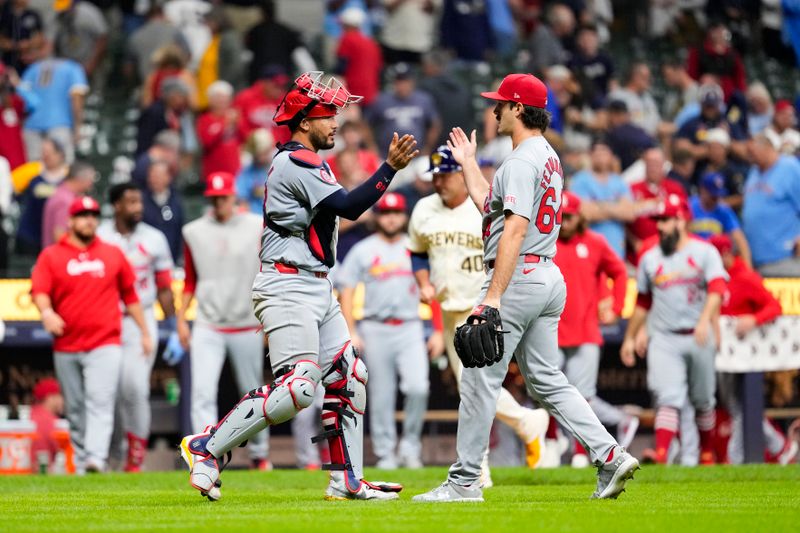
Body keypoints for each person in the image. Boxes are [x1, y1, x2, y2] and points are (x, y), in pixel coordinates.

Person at [178, 71, 418, 502]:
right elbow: (349, 207)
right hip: (287, 283)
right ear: (304, 121)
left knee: (349, 375)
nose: (335, 123)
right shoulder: (296, 160)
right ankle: (207, 446)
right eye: (328, 115)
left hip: (315, 285)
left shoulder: (311, 160)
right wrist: (389, 169)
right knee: (299, 387)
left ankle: (346, 480)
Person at [414, 73, 638, 503]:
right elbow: (493, 210)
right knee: (545, 379)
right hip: (547, 274)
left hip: (517, 274)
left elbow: (514, 228)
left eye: (500, 103)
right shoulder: (546, 156)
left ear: (518, 108)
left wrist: (493, 297)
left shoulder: (520, 161)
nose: (494, 109)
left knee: (479, 379)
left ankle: (463, 483)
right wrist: (468, 163)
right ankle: (609, 454)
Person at [408, 146, 549, 483]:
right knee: (473, 387)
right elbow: (417, 253)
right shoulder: (424, 208)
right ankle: (525, 423)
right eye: (435, 176)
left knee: (474, 387)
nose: (439, 182)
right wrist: (424, 282)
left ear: (462, 174)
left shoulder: (483, 207)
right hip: (448, 309)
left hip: (481, 304)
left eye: (445, 175)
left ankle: (478, 467)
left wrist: (498, 300)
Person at [30, 196, 153, 473]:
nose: (89, 220)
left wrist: (145, 331)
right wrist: (47, 313)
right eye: (83, 214)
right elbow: (39, 290)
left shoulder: (112, 253)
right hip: (67, 343)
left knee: (100, 400)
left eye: (93, 215)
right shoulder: (52, 255)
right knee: (75, 408)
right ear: (71, 221)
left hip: (105, 341)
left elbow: (130, 295)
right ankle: (84, 459)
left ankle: (95, 459)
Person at [620, 196, 728, 465]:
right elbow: (643, 302)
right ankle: (661, 456)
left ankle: (706, 453)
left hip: (698, 334)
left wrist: (705, 320)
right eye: (658, 221)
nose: (660, 227)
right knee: (668, 397)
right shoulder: (650, 257)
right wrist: (630, 337)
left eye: (666, 220)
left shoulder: (705, 251)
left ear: (682, 220)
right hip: (665, 337)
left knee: (703, 400)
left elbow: (717, 289)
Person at [176, 171, 271, 471]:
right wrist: (181, 320)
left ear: (234, 197)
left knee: (252, 392)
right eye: (214, 198)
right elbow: (190, 280)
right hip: (208, 322)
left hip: (246, 321)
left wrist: (269, 317)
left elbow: (268, 272)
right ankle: (204, 453)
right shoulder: (194, 230)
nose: (219, 203)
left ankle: (259, 453)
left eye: (224, 197)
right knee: (202, 391)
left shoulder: (256, 225)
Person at [338, 192, 429, 469]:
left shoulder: (415, 247)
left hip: (411, 325)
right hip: (375, 326)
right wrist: (351, 330)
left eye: (396, 213)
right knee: (381, 394)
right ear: (378, 217)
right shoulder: (363, 249)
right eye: (386, 213)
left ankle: (410, 448)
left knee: (418, 388)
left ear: (404, 217)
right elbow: (346, 290)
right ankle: (386, 452)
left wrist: (436, 329)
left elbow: (432, 287)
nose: (391, 218)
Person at [554, 191, 639, 468]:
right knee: (546, 392)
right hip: (551, 331)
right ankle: (615, 420)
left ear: (580, 217)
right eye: (560, 216)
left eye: (569, 217)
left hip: (586, 331)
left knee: (583, 397)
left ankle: (580, 450)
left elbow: (620, 272)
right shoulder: (545, 241)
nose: (564, 222)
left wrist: (616, 307)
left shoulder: (595, 242)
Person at [97, 183, 175, 472]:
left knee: (135, 387)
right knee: (109, 391)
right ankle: (111, 452)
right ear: (116, 205)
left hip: (140, 320)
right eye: (130, 202)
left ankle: (135, 456)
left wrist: (171, 323)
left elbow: (165, 286)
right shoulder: (100, 236)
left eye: (139, 201)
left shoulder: (154, 238)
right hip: (105, 320)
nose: (138, 207)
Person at [708, 234, 799, 466]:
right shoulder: (715, 278)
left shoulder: (745, 277)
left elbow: (774, 306)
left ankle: (736, 458)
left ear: (727, 253)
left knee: (741, 408)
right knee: (736, 407)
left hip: (747, 354)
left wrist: (753, 319)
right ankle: (781, 447)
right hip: (723, 353)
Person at [742, 134, 800, 277]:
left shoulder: (790, 168)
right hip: (755, 260)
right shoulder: (754, 171)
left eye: (753, 153)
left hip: (785, 258)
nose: (750, 157)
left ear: (767, 148)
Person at [20, 50, 88, 163]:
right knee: (63, 168)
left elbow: (21, 98)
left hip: (31, 125)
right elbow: (76, 100)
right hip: (60, 125)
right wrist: (78, 128)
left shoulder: (33, 68)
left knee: (34, 170)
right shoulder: (73, 68)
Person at [569, 140, 633, 258]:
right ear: (590, 155)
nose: (600, 157)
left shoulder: (619, 181)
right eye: (597, 153)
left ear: (611, 156)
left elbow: (630, 213)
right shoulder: (580, 180)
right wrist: (616, 206)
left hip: (616, 251)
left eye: (604, 153)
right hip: (588, 250)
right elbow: (585, 213)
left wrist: (599, 205)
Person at [627, 147, 688, 264]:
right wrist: (635, 243)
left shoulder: (675, 188)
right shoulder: (632, 189)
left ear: (664, 165)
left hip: (671, 250)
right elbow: (623, 219)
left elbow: (686, 218)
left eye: (656, 163)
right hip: (639, 252)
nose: (652, 167)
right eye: (649, 163)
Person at [365, 63, 441, 156]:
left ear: (412, 82)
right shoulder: (382, 100)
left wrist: (428, 148)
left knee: (425, 165)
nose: (402, 85)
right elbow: (365, 124)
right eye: (399, 81)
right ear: (394, 82)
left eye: (405, 81)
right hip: (386, 156)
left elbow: (435, 125)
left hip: (416, 157)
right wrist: (371, 146)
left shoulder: (423, 99)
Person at [16, 138, 68, 255]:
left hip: (56, 235)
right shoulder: (32, 172)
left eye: (49, 152)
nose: (46, 156)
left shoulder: (68, 178)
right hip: (30, 234)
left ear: (60, 154)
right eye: (43, 152)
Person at [688, 172, 752, 267]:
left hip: (715, 260)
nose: (717, 199)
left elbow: (739, 238)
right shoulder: (689, 206)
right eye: (713, 196)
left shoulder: (723, 210)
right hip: (692, 258)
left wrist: (748, 267)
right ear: (703, 190)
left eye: (718, 195)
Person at [335, 7, 382, 107]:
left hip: (352, 91)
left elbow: (341, 66)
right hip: (371, 91)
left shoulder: (347, 39)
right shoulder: (371, 42)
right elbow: (378, 68)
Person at [41, 161, 95, 249]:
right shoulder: (65, 201)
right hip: (60, 258)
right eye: (90, 180)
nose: (91, 185)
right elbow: (59, 235)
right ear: (80, 179)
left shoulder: (62, 193)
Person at [196, 80, 241, 180]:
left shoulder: (235, 117)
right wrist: (224, 124)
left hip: (235, 171)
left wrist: (239, 122)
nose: (223, 102)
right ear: (211, 100)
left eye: (226, 99)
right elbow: (207, 142)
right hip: (214, 171)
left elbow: (245, 137)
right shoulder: (205, 119)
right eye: (219, 99)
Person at [141, 160, 183, 262]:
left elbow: (180, 231)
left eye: (159, 175)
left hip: (172, 259)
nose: (155, 179)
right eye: (152, 175)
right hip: (148, 260)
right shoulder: (141, 202)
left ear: (168, 177)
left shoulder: (176, 202)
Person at [29, 377, 64, 471]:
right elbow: (63, 451)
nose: (63, 401)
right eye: (60, 395)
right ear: (50, 397)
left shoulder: (31, 414)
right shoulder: (52, 421)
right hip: (44, 470)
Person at [236, 128, 273, 214]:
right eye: (256, 155)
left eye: (262, 153)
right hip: (256, 218)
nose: (259, 158)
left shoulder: (280, 167)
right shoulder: (247, 172)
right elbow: (242, 202)